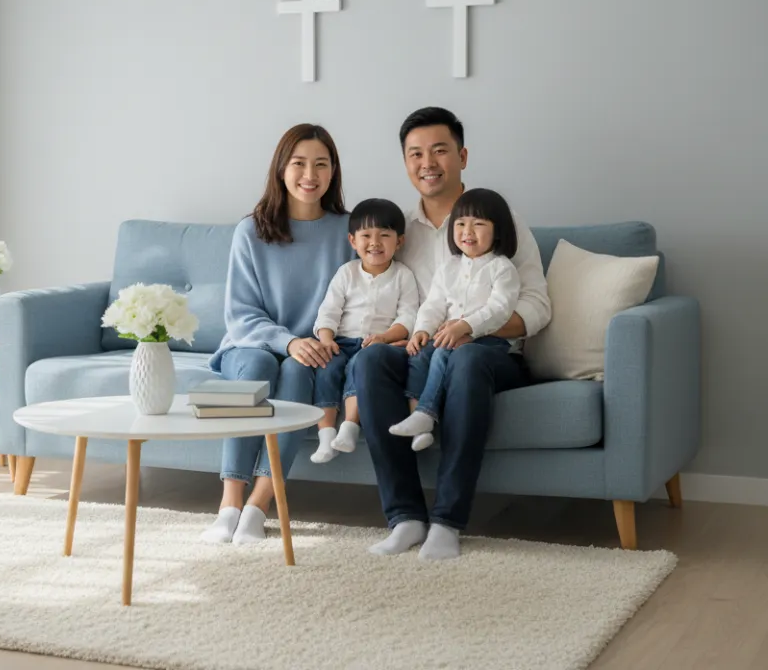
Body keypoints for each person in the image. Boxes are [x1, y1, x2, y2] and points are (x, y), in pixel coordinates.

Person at [354, 107, 551, 560]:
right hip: (422, 350)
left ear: (461, 156)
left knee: (467, 357)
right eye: (416, 154)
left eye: (439, 150)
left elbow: (537, 308)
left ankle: (447, 521)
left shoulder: (502, 222)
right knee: (370, 360)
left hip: (490, 355)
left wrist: (467, 329)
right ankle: (404, 517)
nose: (428, 163)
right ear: (405, 163)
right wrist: (414, 335)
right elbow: (399, 302)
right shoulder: (398, 232)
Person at [200, 123, 353, 545]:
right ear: (281, 169)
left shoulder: (350, 231)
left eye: (321, 164)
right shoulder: (251, 230)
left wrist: (318, 342)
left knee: (297, 373)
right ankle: (229, 502)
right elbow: (242, 315)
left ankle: (259, 503)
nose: (310, 174)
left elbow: (360, 296)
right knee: (258, 363)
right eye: (299, 163)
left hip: (314, 351)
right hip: (252, 346)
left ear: (333, 172)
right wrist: (288, 341)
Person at [390, 188, 521, 452]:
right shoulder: (449, 267)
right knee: (420, 355)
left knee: (442, 352)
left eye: (479, 224)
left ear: (498, 230)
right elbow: (434, 304)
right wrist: (421, 330)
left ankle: (426, 413)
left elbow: (500, 309)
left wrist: (466, 326)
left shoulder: (502, 268)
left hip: (489, 345)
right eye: (460, 224)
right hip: (448, 337)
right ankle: (418, 421)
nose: (467, 231)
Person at [308, 198, 420, 463]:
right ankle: (325, 436)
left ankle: (349, 425)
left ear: (399, 241)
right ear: (352, 240)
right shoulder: (347, 273)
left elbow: (409, 316)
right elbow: (329, 310)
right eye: (366, 235)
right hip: (342, 341)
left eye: (384, 235)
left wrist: (385, 337)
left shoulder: (403, 275)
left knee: (362, 366)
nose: (375, 242)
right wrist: (325, 339)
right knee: (327, 367)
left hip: (377, 345)